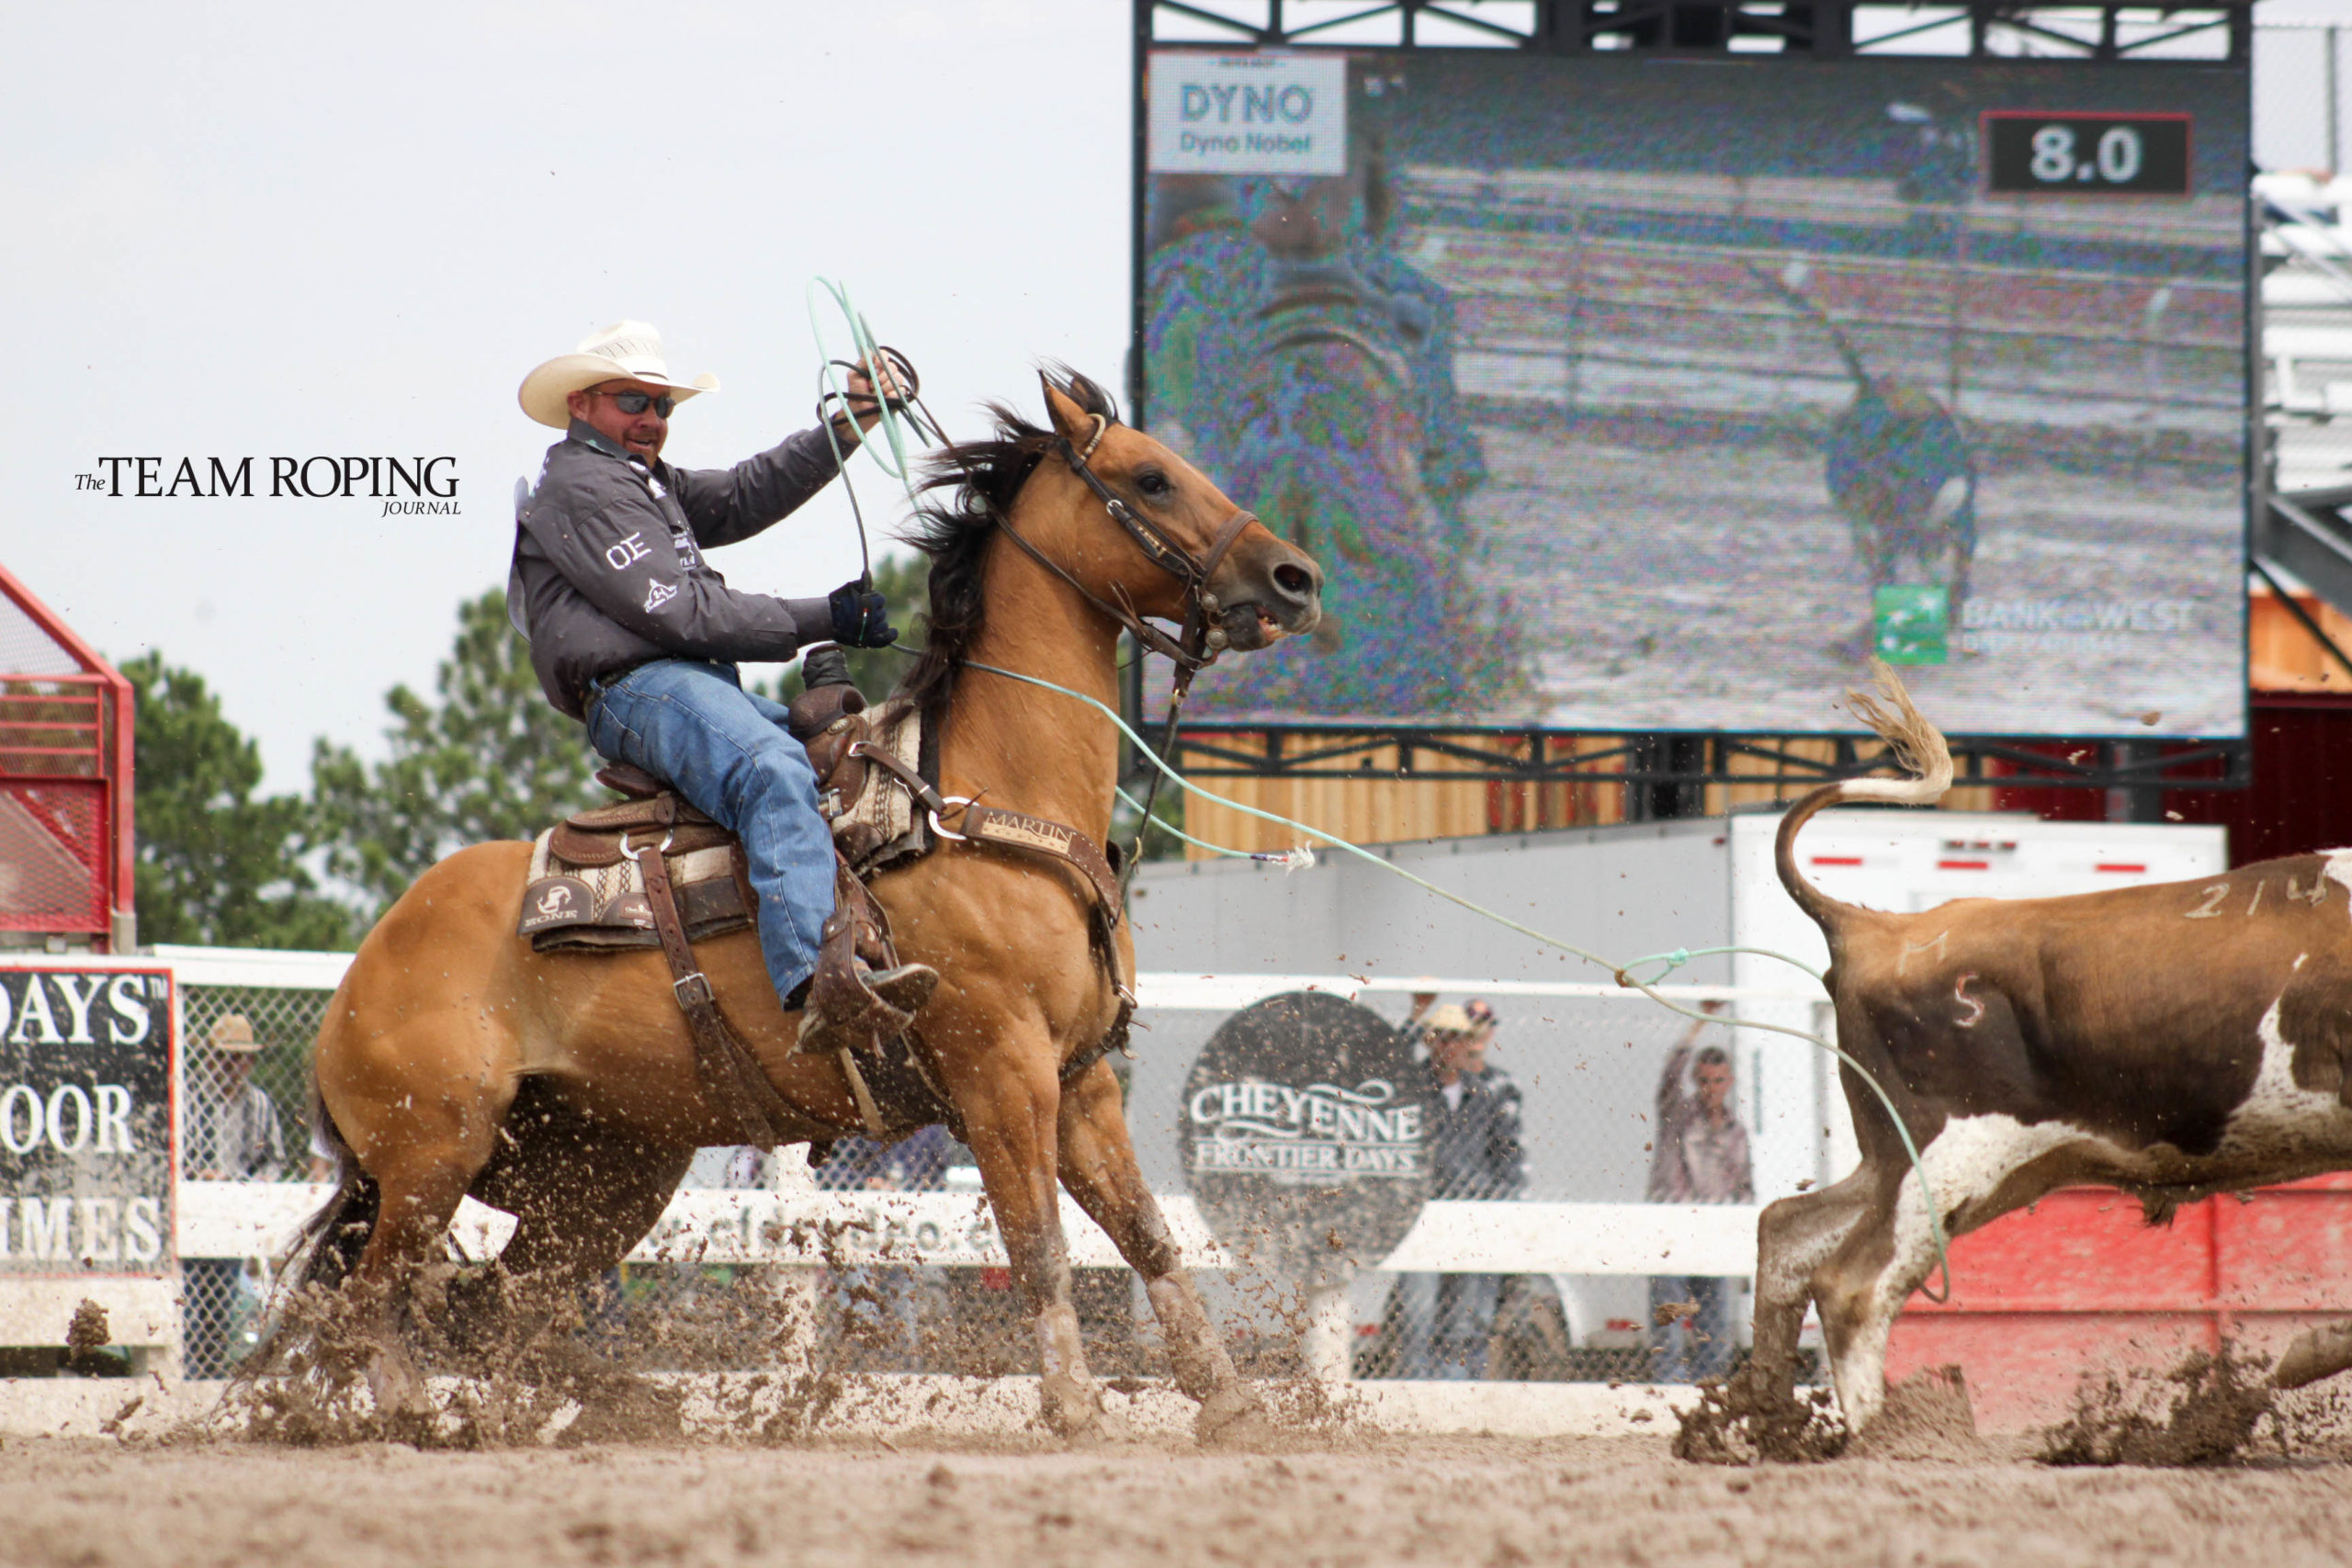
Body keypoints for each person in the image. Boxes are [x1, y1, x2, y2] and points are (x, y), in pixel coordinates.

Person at [510, 321, 937, 1052]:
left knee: (851, 756)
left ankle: (852, 931)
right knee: (772, 770)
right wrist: (822, 616)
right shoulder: (584, 489)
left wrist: (852, 420)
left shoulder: (640, 480)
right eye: (634, 401)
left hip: (687, 683)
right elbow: (686, 613)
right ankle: (815, 980)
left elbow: (744, 494)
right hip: (640, 687)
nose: (652, 420)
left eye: (664, 406)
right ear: (582, 403)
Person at [1390, 999, 1524, 1379]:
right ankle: (1414, 1397)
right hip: (1422, 1219)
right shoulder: (1411, 1087)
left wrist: (1503, 1203)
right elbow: (1385, 1064)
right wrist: (1413, 1017)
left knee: (1465, 1319)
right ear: (1429, 1042)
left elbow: (1506, 1153)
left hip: (1470, 1220)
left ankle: (1456, 1397)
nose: (1449, 1047)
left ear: (1469, 1043)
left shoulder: (1484, 1096)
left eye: (1457, 1039)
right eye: (1442, 1039)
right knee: (1416, 1316)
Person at [1647, 1002, 1754, 1382]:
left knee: (1715, 1323)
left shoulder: (1735, 1132)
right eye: (1704, 1081)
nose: (1710, 1089)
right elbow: (1670, 1073)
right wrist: (1700, 1022)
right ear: (1696, 1080)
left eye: (1718, 1081)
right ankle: (1669, 1388)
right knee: (1670, 1321)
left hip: (1714, 1234)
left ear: (1729, 1082)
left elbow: (1744, 1187)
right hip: (1674, 1230)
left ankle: (1710, 1388)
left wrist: (1738, 1236)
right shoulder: (1677, 1114)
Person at [183, 1013, 286, 1378]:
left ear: (250, 1061)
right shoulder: (187, 1098)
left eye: (239, 1057)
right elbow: (171, 1154)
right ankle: (191, 1372)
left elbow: (273, 1160)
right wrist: (199, 1176)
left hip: (232, 1217)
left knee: (224, 1299)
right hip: (190, 1213)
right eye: (225, 1056)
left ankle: (209, 1373)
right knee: (191, 1299)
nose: (232, 1065)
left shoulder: (258, 1104)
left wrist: (245, 1186)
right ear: (210, 1057)